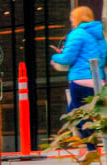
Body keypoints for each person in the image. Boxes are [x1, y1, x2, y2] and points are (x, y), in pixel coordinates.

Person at [55, 6, 105, 152]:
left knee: (76, 115)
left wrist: (56, 57)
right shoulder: (99, 35)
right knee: (92, 114)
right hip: (97, 81)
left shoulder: (77, 34)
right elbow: (103, 57)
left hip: (80, 80)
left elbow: (67, 58)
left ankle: (91, 148)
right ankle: (89, 145)